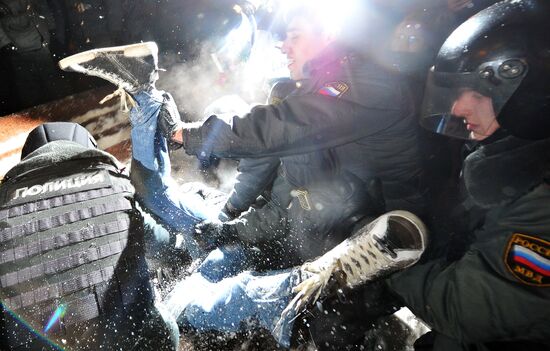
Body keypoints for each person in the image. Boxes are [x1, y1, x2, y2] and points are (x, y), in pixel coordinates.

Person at [58, 2, 427, 276]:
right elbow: (266, 161)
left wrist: (230, 229)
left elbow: (279, 139)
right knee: (154, 192)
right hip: (283, 221)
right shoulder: (315, 91)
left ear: (329, 35)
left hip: (332, 237)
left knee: (204, 278)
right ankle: (144, 93)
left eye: (294, 36)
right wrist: (230, 213)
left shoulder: (367, 88)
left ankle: (146, 100)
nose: (284, 45)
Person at [297, 1, 550, 349]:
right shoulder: (503, 158)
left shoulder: (541, 200)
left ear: (530, 94)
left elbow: (468, 308)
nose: (459, 108)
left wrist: (387, 256)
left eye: (476, 93)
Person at [0, 122, 179, 350]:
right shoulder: (116, 186)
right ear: (87, 148)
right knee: (165, 325)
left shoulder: (4, 203)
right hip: (129, 342)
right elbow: (162, 244)